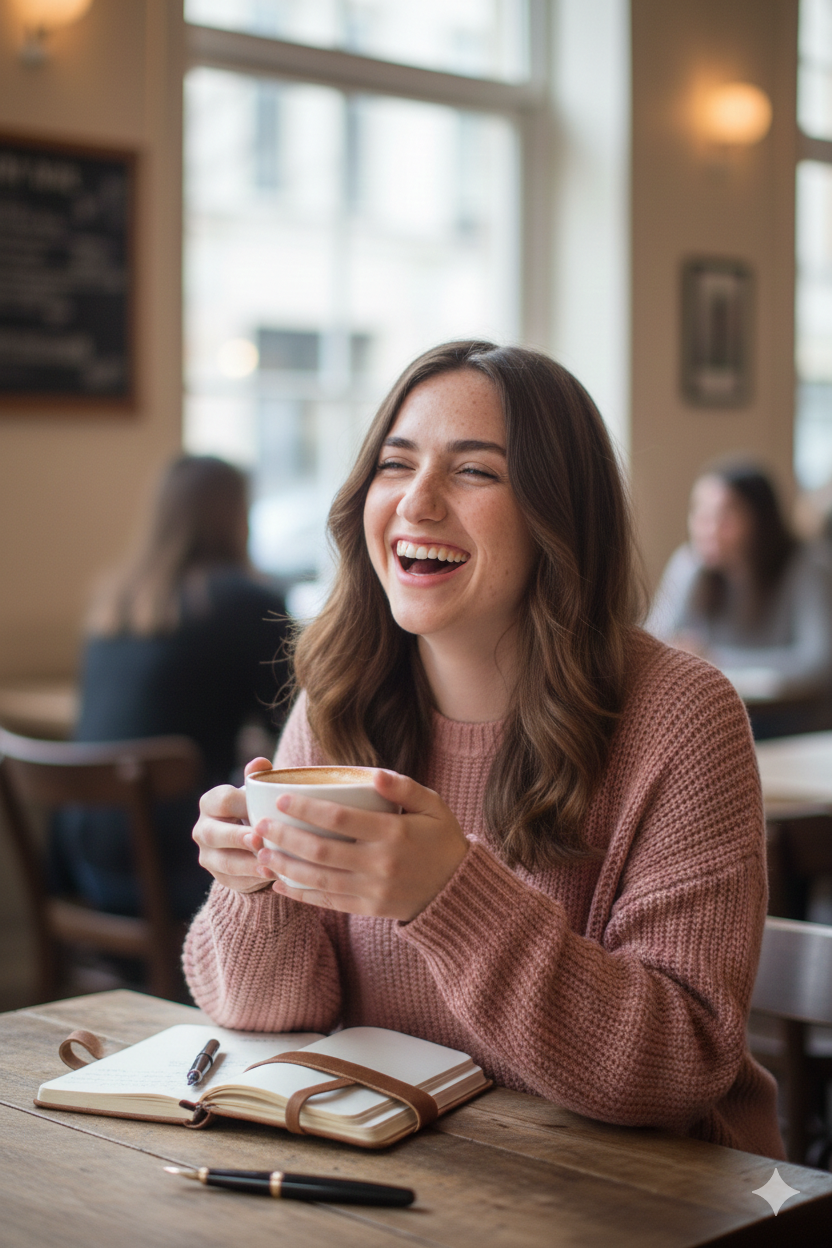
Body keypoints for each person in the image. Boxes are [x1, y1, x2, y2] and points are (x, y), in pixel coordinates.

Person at [184, 343, 783, 1158]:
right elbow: (264, 1015)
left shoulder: (682, 717)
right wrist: (253, 887)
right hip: (426, 1175)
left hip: (653, 1200)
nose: (417, 502)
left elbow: (677, 1066)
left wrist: (449, 896)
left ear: (557, 515)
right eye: (396, 465)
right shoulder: (343, 700)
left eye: (475, 473)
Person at [51, 455, 291, 919]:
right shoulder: (249, 601)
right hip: (177, 868)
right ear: (236, 514)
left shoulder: (116, 600)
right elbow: (295, 726)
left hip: (82, 863)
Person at [647, 463, 832, 712]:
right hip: (713, 710)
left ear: (760, 520)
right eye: (699, 513)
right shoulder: (689, 565)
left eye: (724, 516)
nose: (707, 528)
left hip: (788, 718)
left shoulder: (806, 569)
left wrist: (714, 659)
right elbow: (654, 646)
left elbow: (819, 666)